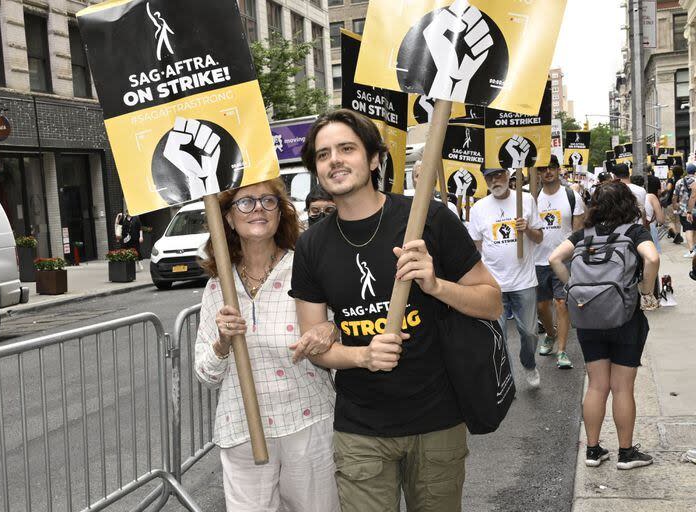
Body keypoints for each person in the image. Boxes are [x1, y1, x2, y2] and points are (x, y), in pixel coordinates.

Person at [290, 109, 502, 512]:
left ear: (374, 159)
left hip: (438, 421)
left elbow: (491, 303)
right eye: (323, 154)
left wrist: (436, 285)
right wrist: (363, 356)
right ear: (317, 171)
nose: (334, 159)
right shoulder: (312, 245)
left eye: (347, 148)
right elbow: (315, 346)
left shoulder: (428, 219)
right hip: (361, 431)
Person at [194, 177, 340, 512]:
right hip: (242, 430)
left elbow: (348, 325)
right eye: (245, 202)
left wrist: (330, 329)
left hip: (307, 424)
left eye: (268, 201)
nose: (258, 208)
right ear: (228, 218)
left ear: (280, 213)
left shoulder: (305, 267)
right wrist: (222, 342)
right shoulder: (218, 286)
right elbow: (205, 374)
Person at [549, 181, 660, 470]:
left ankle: (593, 450)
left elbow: (554, 258)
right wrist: (646, 291)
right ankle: (626, 453)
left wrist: (573, 287)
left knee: (597, 385)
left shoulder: (582, 235)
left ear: (594, 206)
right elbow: (652, 257)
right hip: (625, 317)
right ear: (628, 204)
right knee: (622, 387)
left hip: (588, 317)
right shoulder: (635, 232)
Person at [468, 167, 545, 388]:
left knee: (529, 332)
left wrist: (527, 229)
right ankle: (507, 376)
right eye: (489, 177)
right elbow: (477, 246)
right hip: (493, 285)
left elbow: (539, 238)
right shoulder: (478, 209)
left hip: (524, 281)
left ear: (508, 175)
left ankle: (529, 364)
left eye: (498, 174)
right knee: (498, 335)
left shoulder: (526, 200)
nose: (494, 180)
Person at [534, 154, 585, 369]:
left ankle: (562, 351)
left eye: (552, 167)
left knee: (562, 304)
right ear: (538, 172)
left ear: (558, 169)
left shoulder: (571, 196)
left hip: (564, 261)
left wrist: (577, 257)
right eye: (543, 168)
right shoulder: (531, 199)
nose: (548, 171)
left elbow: (579, 230)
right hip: (537, 260)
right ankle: (550, 333)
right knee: (541, 307)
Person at [674, 163, 696, 257]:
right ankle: (694, 248)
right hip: (694, 209)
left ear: (686, 171)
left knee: (688, 229)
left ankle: (691, 250)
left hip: (684, 209)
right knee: (694, 229)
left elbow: (675, 195)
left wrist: (675, 204)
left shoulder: (680, 182)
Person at [662, 165, 684, 244]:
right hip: (680, 203)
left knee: (669, 220)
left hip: (671, 202)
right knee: (678, 220)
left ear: (673, 172)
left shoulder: (671, 179)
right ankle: (678, 234)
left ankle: (676, 235)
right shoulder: (683, 180)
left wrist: (663, 192)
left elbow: (668, 188)